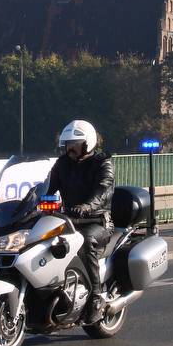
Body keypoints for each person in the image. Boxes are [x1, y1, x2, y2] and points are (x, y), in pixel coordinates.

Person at [47, 120, 114, 323]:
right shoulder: (62, 164)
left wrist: (87, 206)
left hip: (97, 221)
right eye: (68, 144)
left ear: (88, 143)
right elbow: (46, 187)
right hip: (69, 220)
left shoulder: (102, 163)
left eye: (75, 144)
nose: (70, 148)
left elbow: (103, 191)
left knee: (85, 241)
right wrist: (29, 202)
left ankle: (96, 296)